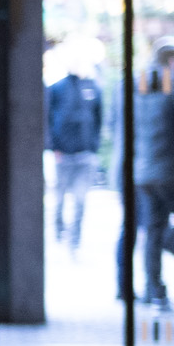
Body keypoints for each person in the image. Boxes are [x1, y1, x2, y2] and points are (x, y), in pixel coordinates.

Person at [133, 44, 174, 307]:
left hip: (146, 174)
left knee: (154, 232)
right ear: (173, 62)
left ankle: (155, 291)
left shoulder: (140, 93)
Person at [46, 56, 104, 253]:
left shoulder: (93, 88)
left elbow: (98, 118)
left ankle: (74, 239)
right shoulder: (57, 88)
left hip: (85, 153)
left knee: (80, 200)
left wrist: (93, 147)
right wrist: (54, 147)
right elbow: (48, 118)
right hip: (63, 154)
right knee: (59, 198)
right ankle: (59, 231)